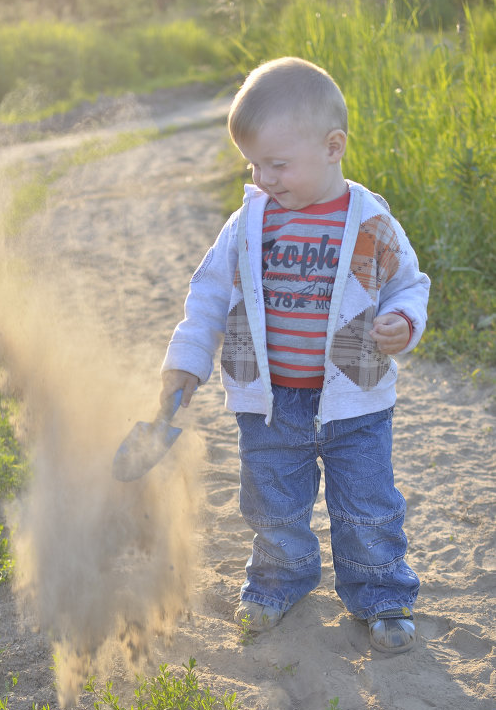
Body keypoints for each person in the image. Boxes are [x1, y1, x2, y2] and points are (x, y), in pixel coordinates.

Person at [160, 57, 430, 653]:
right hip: (270, 397)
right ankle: (280, 580)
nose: (263, 178)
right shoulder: (250, 222)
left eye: (278, 164)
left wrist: (402, 321)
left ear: (333, 147)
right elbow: (209, 292)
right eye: (253, 164)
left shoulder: (369, 221)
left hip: (353, 397)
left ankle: (382, 594)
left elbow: (409, 282)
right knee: (272, 500)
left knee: (366, 502)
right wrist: (188, 360)